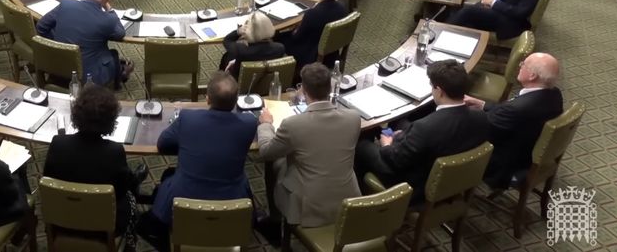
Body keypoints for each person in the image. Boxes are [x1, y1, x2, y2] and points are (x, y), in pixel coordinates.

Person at [143, 72, 257, 247]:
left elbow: (162, 144)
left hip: (183, 195)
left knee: (168, 175)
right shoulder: (249, 123)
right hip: (233, 199)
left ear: (208, 99)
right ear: (236, 101)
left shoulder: (188, 118)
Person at [353, 60, 489, 202]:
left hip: (415, 183)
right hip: (451, 175)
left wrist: (387, 144)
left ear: (439, 91)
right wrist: (405, 136)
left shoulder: (425, 128)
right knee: (399, 122)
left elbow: (395, 160)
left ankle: (365, 197)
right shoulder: (481, 117)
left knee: (361, 142)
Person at [257, 63, 361, 232]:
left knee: (275, 161)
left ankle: (274, 222)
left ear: (304, 90)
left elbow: (266, 151)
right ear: (330, 87)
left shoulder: (293, 124)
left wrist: (266, 124)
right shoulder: (354, 118)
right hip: (347, 199)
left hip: (309, 206)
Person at [43, 84, 146, 250]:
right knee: (131, 199)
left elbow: (48, 180)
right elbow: (120, 192)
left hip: (63, 221)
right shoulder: (114, 152)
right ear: (111, 120)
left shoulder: (58, 144)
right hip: (105, 227)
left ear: (76, 114)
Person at [464, 53, 564, 189]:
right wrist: (482, 104)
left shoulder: (515, 109)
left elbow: (482, 131)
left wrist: (454, 109)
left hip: (503, 165)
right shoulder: (554, 94)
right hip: (527, 150)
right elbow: (508, 113)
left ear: (532, 76)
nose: (520, 65)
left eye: (524, 64)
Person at [35, 0, 133, 87]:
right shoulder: (108, 19)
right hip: (86, 78)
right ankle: (120, 75)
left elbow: (41, 27)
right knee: (113, 54)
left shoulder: (66, 4)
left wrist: (58, 45)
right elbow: (120, 33)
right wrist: (109, 9)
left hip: (58, 67)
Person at [275, 0, 349, 72]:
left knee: (276, 37)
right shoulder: (342, 7)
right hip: (332, 52)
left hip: (311, 52)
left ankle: (282, 71)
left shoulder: (312, 14)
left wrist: (294, 29)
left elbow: (297, 37)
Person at [218, 11, 286, 81]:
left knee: (227, 56)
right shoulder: (280, 48)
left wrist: (238, 31)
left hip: (241, 85)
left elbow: (227, 40)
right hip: (268, 84)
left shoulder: (240, 50)